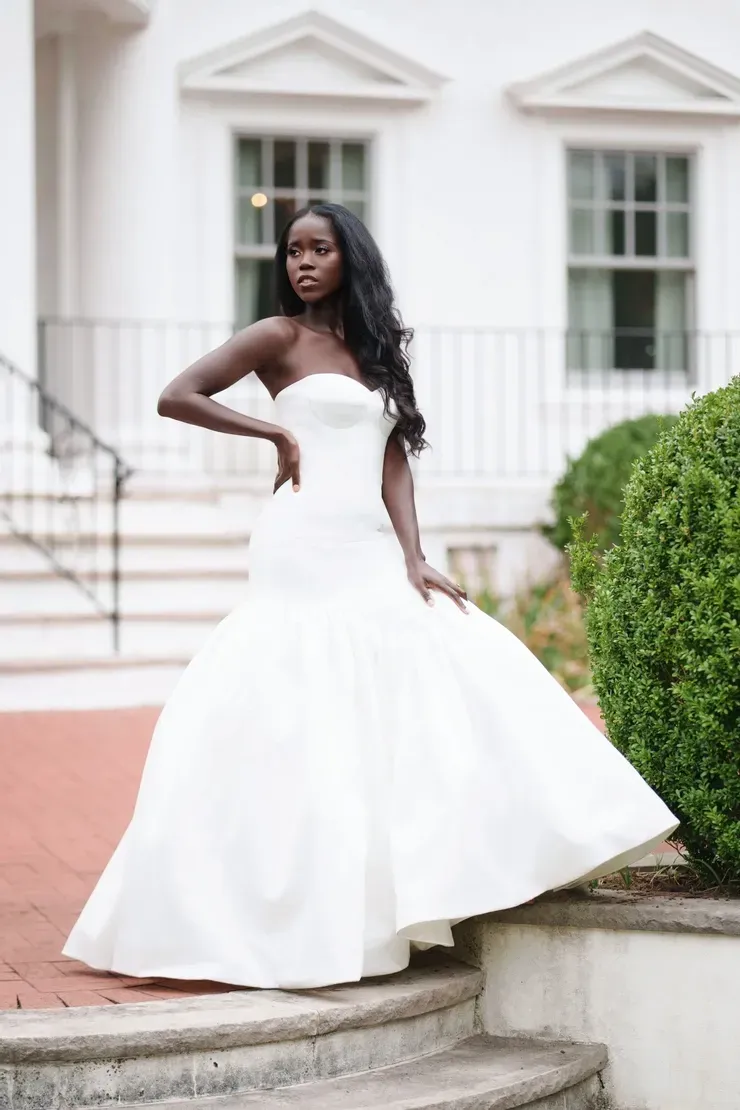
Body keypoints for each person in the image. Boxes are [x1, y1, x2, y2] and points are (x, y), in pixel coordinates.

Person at [63, 204, 678, 989]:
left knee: (448, 653)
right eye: (292, 250)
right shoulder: (277, 337)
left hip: (368, 543)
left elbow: (393, 460)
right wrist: (273, 434)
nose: (302, 262)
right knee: (304, 700)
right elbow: (177, 395)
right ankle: (276, 909)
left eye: (318, 249)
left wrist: (414, 555)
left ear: (349, 258)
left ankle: (449, 867)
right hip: (300, 541)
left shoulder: (377, 349)